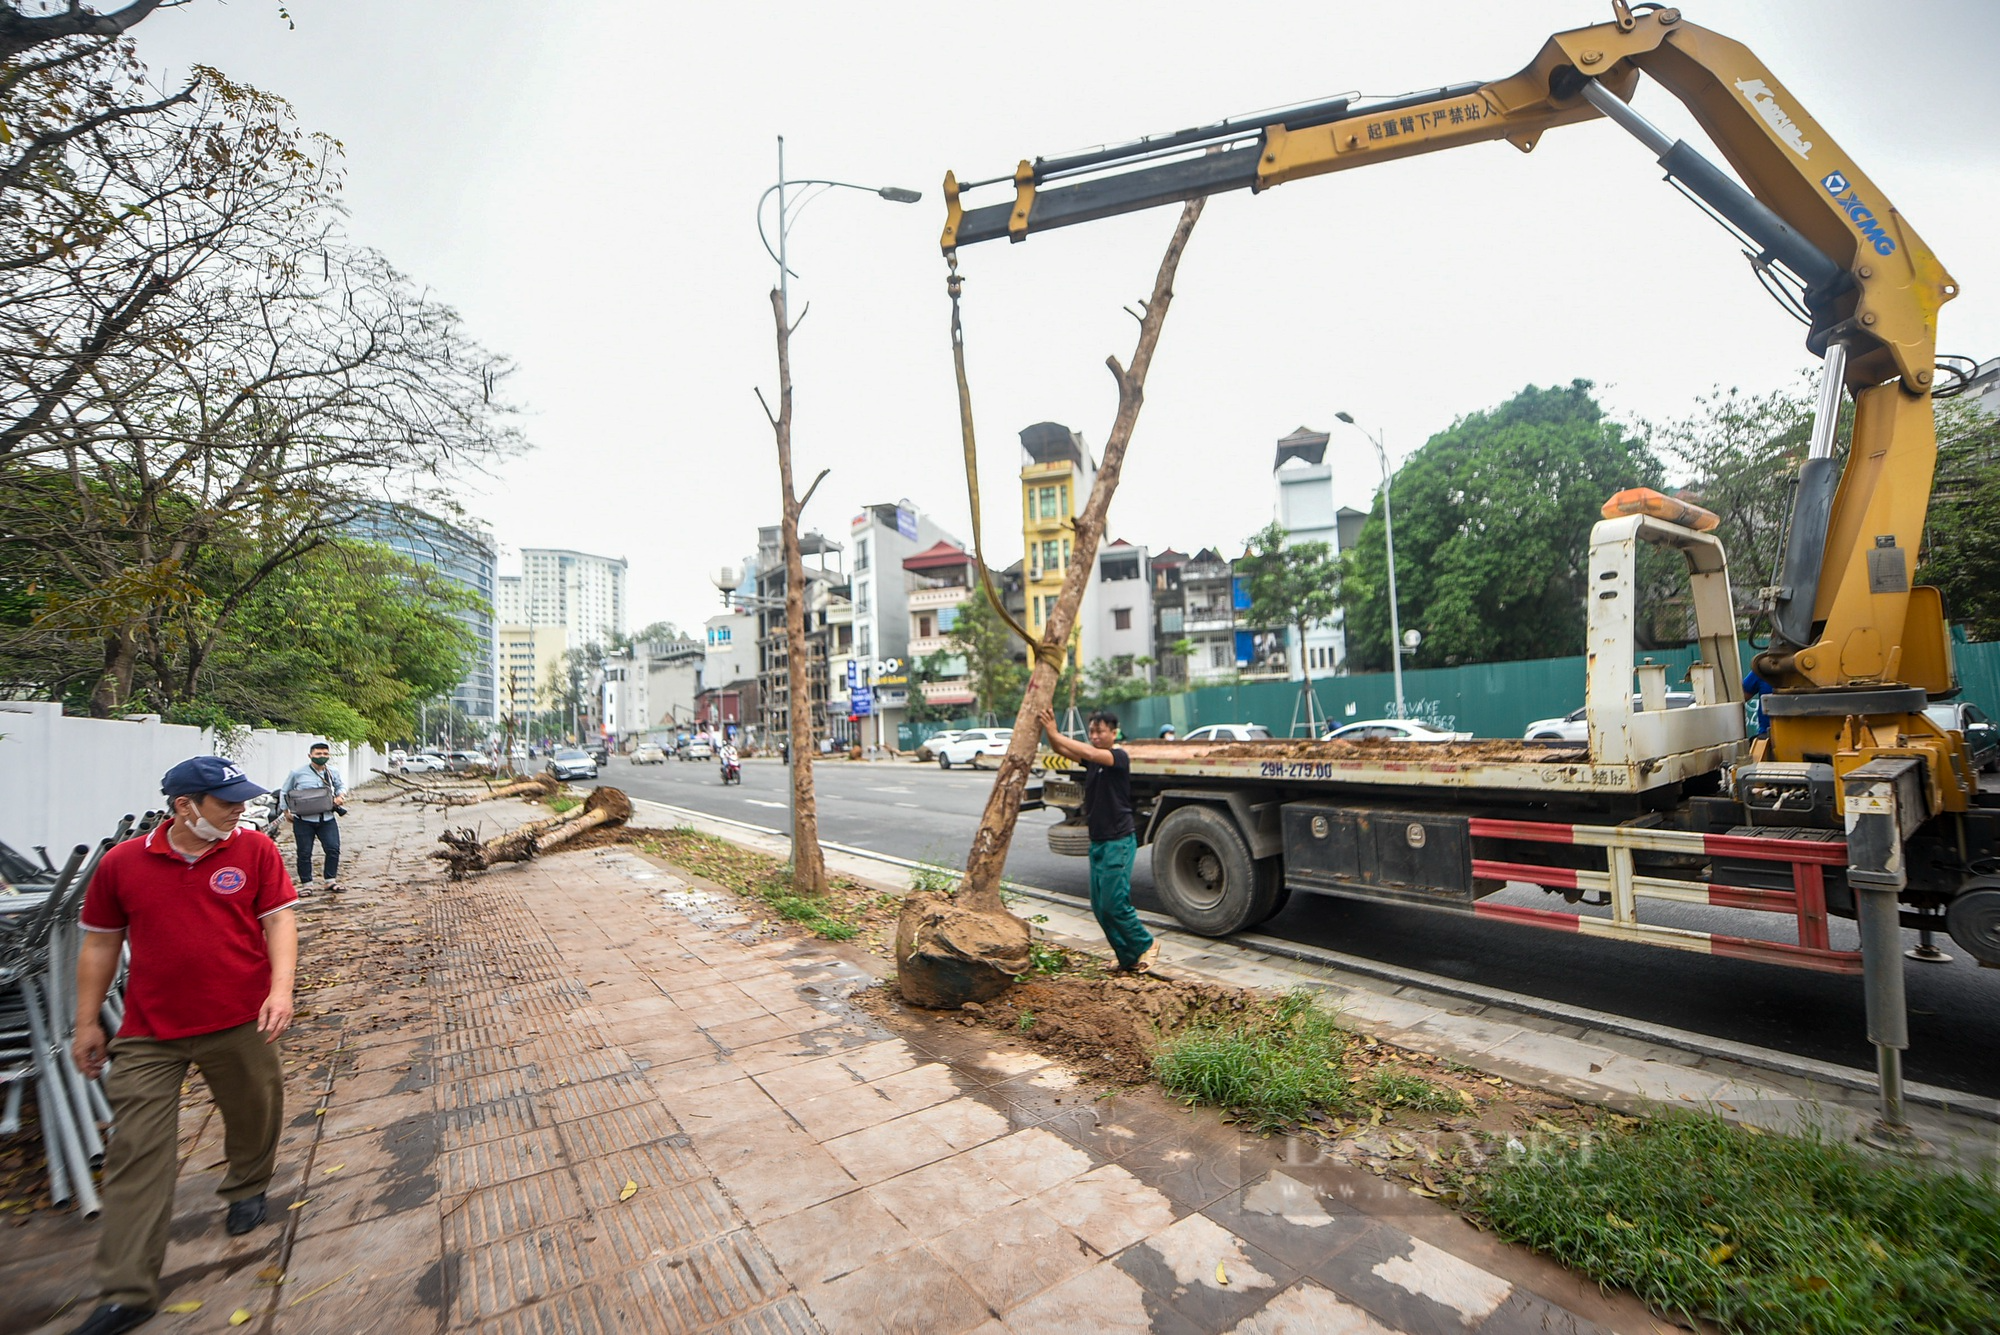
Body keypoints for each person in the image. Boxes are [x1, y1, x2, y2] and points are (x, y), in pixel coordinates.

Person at [69, 756, 298, 1335]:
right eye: (227, 803)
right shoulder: (122, 865)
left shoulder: (254, 851)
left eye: (242, 801)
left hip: (239, 1016)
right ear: (184, 807)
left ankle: (247, 1185)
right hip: (150, 1030)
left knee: (255, 1111)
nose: (240, 811)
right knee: (137, 1153)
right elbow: (99, 946)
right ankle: (127, 1289)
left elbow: (278, 923)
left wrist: (280, 991)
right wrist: (86, 1023)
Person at [1036, 706, 1159, 973]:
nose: (1094, 736)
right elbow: (1061, 750)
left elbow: (1089, 752)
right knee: (1100, 907)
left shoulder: (1118, 757)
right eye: (1091, 731)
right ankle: (1127, 958)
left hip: (1119, 840)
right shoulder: (1093, 762)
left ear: (1114, 733)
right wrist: (1050, 730)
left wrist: (1055, 730)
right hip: (1099, 840)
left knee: (1115, 903)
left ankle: (1146, 944)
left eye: (1100, 731)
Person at [277, 741, 347, 893]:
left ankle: (330, 881)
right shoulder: (297, 773)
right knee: (304, 852)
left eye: (325, 754)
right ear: (310, 755)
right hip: (304, 820)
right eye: (318, 754)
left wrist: (341, 796)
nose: (322, 756)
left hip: (327, 818)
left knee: (333, 848)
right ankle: (306, 885)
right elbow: (284, 791)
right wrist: (285, 811)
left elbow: (340, 785)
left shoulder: (332, 771)